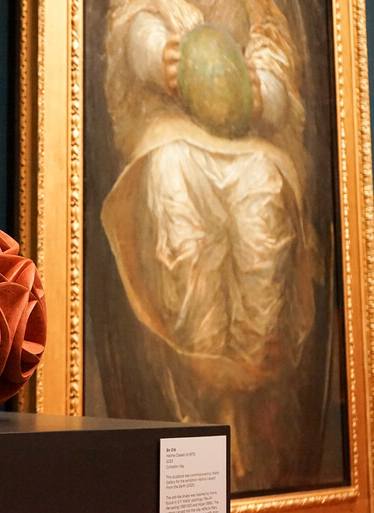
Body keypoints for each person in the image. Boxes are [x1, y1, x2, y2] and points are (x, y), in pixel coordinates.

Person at [100, 0, 318, 491]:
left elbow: (274, 51)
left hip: (248, 139)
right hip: (172, 128)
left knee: (263, 193)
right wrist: (158, 55)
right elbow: (133, 23)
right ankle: (196, 405)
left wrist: (265, 91)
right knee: (171, 175)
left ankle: (247, 404)